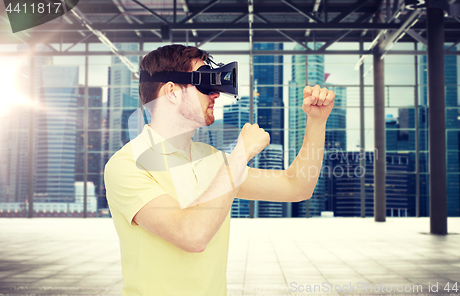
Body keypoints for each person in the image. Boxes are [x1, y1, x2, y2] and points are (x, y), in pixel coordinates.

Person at [103, 44, 335, 296]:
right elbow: (192, 236)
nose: (215, 94)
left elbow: (297, 186)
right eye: (204, 83)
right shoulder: (127, 164)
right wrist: (241, 154)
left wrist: (317, 121)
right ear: (171, 91)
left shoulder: (213, 160)